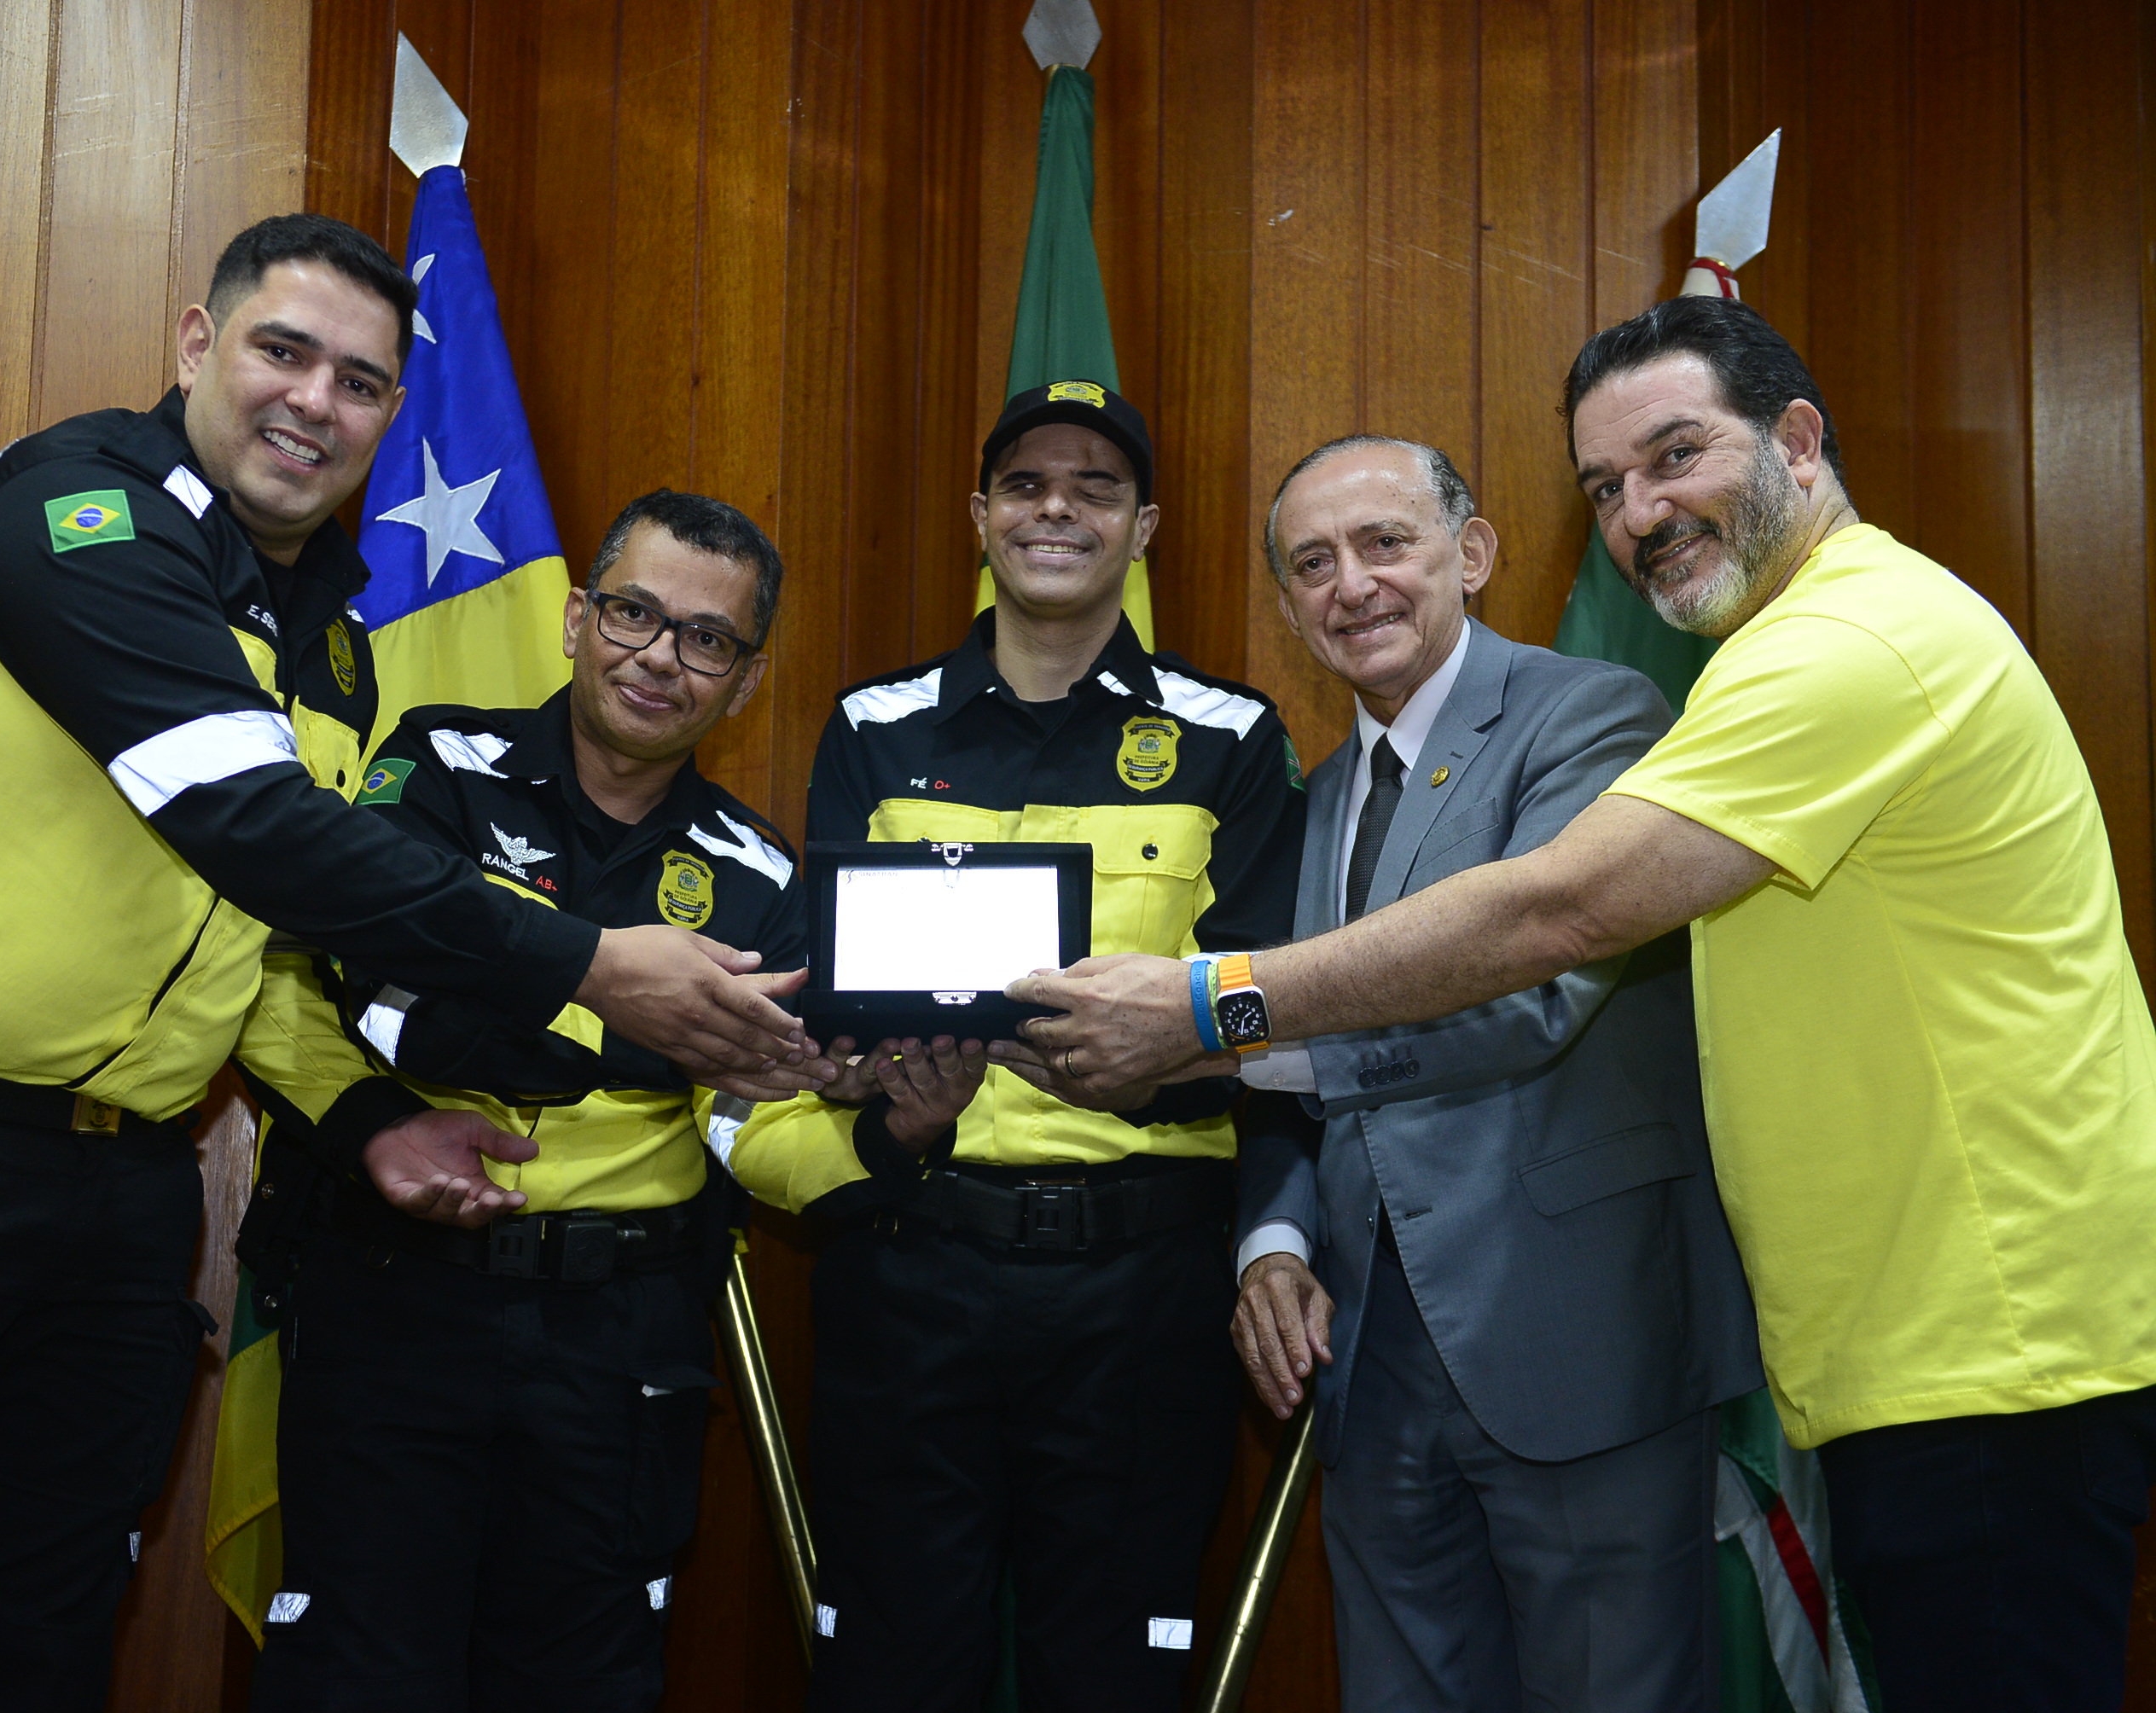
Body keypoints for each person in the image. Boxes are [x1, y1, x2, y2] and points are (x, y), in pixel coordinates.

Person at [0, 216, 823, 1713]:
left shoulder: (332, 649)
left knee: (24, 1648)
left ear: (391, 417)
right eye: (281, 351)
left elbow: (265, 949)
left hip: (117, 1195)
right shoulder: (72, 513)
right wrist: (587, 964)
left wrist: (368, 1119)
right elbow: (256, 829)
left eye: (360, 383)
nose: (314, 401)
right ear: (196, 344)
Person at [1006, 297, 2156, 1713]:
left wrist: (1211, 1010)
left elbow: (1557, 920)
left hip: (1992, 1338)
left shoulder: (1848, 642)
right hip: (1912, 1338)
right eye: (1606, 487)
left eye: (1675, 457)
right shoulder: (1778, 650)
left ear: (1799, 441)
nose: (1639, 514)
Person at [713, 381, 1310, 1711]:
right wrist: (863, 1074)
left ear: (1143, 528)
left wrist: (1150, 1056)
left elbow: (1268, 1018)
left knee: (1115, 1674)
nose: (1058, 509)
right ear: (980, 515)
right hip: (912, 1268)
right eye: (1028, 484)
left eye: (1098, 488)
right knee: (891, 1666)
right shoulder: (877, 727)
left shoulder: (1230, 736)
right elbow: (830, 993)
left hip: (1144, 1291)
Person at [241, 489, 800, 1710]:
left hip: (620, 1337)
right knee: (356, 1674)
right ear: (575, 618)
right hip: (399, 1302)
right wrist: (638, 1028)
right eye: (634, 613)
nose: (660, 657)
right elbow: (380, 989)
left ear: (746, 681)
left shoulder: (763, 873)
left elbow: (757, 1097)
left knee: (585, 1680)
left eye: (707, 639)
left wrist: (889, 1114)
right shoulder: (437, 761)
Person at [1233, 433, 1759, 1710]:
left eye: (1385, 544)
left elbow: (1538, 996)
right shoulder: (1317, 797)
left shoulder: (1594, 717)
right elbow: (1313, 1081)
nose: (1352, 584)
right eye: (1313, 564)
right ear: (1290, 608)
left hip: (1573, 1338)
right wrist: (1276, 1241)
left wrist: (1235, 1037)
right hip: (1366, 1358)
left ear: (1470, 554)